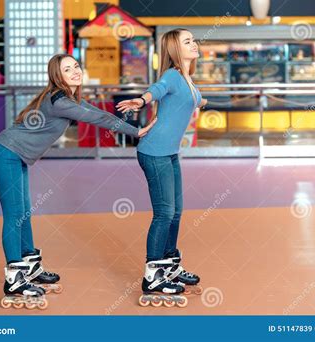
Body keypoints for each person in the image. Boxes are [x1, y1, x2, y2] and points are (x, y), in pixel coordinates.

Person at [0, 54, 156, 309]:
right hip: (7, 152)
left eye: (76, 66)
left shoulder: (67, 98)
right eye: (68, 69)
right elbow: (97, 119)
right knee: (15, 215)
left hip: (15, 154)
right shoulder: (59, 101)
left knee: (23, 213)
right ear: (59, 77)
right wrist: (135, 131)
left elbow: (95, 111)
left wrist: (128, 121)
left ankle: (30, 266)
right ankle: (14, 279)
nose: (75, 71)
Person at [117, 28, 208, 307]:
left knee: (176, 212)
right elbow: (157, 91)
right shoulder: (171, 76)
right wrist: (141, 100)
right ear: (174, 50)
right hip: (154, 151)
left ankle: (169, 264)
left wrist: (201, 101)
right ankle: (153, 275)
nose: (194, 44)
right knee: (164, 213)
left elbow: (185, 100)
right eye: (187, 41)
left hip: (169, 152)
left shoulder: (187, 79)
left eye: (193, 40)